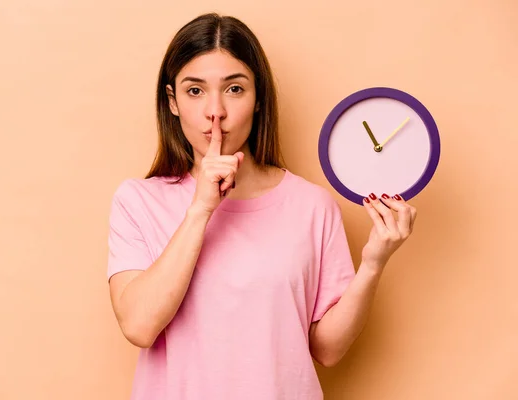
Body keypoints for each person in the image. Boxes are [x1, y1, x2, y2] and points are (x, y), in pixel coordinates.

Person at [106, 12, 417, 400]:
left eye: (234, 89)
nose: (215, 111)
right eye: (195, 90)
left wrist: (373, 264)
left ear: (257, 100)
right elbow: (138, 325)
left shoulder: (312, 206)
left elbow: (328, 349)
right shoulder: (139, 200)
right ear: (172, 102)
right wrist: (201, 209)